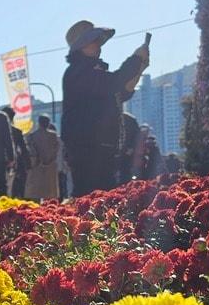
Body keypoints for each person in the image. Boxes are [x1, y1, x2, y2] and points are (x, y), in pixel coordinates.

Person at [60, 20, 149, 196]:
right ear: (82, 46)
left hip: (102, 146)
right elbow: (114, 82)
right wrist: (136, 60)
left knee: (104, 196)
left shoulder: (92, 70)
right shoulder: (78, 71)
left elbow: (120, 93)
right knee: (90, 197)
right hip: (86, 147)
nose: (99, 45)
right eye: (94, 41)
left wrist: (137, 70)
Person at [24, 115, 62, 200]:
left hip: (36, 165)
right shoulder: (54, 136)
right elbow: (56, 150)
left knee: (35, 192)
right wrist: (49, 160)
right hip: (50, 166)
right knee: (50, 192)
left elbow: (31, 151)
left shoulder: (32, 136)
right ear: (48, 123)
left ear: (38, 123)